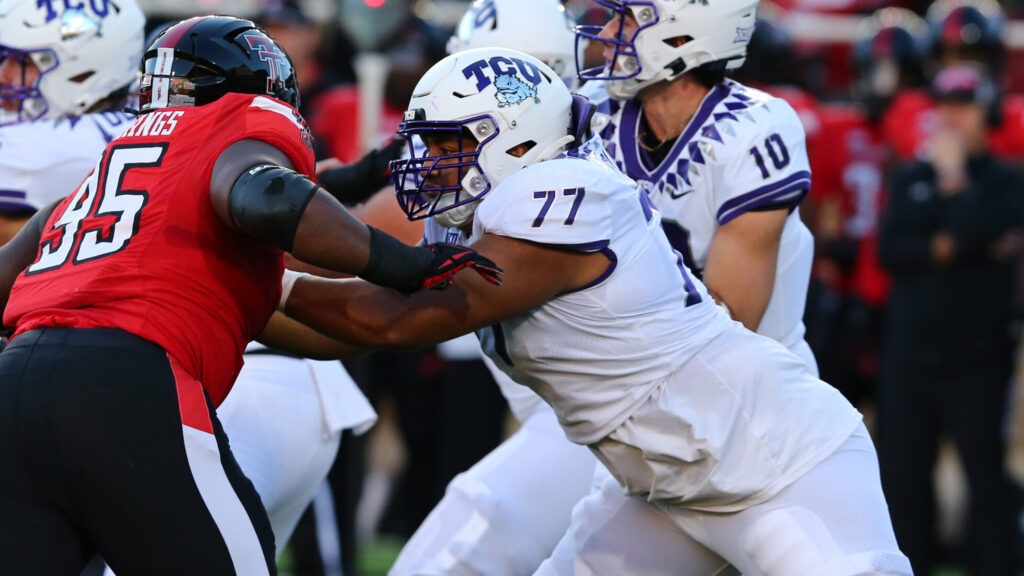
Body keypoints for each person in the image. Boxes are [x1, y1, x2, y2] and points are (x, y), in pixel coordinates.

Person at [281, 45, 911, 575]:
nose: (430, 163)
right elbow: (343, 333)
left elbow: (394, 319)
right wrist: (220, 296)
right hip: (659, 484)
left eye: (449, 143)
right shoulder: (484, 213)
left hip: (775, 464)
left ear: (517, 140)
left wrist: (260, 289)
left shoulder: (558, 196)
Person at [0, 14, 499, 576]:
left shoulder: (98, 182)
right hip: (128, 383)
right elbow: (268, 198)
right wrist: (406, 264)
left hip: (16, 384)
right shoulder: (239, 125)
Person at [385, 2, 599, 575]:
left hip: (632, 429)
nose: (436, 153)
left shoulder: (560, 192)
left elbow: (394, 315)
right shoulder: (544, 164)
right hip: (599, 430)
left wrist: (272, 287)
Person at [575, 0, 818, 374]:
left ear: (681, 37)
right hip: (638, 385)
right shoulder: (594, 112)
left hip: (757, 393)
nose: (606, 36)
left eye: (624, 23)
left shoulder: (752, 130)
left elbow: (731, 322)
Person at [877, 62, 1023, 576]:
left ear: (989, 113)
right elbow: (891, 251)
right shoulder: (910, 175)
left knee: (987, 480)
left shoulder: (1007, 180)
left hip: (979, 356)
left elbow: (974, 229)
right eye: (945, 106)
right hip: (909, 354)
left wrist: (955, 182)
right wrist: (960, 244)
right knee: (903, 480)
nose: (953, 118)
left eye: (965, 105)